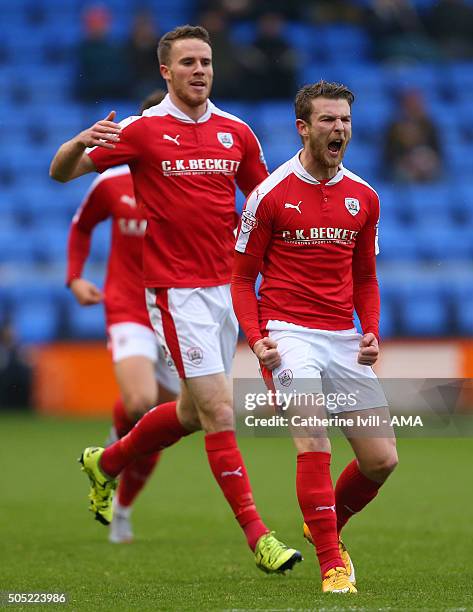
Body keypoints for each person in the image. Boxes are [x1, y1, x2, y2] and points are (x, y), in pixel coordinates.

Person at [50, 25, 302, 574]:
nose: (200, 70)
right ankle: (259, 537)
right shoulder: (142, 131)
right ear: (166, 71)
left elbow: (265, 205)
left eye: (206, 61)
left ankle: (105, 461)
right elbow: (61, 173)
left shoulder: (237, 132)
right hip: (174, 293)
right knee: (217, 410)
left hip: (225, 292)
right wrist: (77, 143)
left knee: (190, 413)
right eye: (187, 62)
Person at [231, 80, 398, 594]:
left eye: (345, 119)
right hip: (287, 334)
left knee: (381, 459)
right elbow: (241, 278)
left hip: (342, 336)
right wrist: (257, 339)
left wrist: (370, 330)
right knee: (313, 437)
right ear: (303, 127)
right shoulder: (270, 195)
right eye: (327, 120)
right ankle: (332, 566)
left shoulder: (364, 197)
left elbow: (366, 278)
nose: (339, 129)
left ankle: (324, 523)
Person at [67, 90, 180, 544]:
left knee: (171, 422)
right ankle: (116, 442)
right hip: (128, 304)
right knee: (141, 405)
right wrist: (75, 277)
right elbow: (81, 226)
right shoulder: (111, 182)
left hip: (179, 308)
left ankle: (124, 507)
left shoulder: (193, 183)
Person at [383, 88, 442, 183]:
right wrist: (406, 161)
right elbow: (388, 156)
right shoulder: (394, 127)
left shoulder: (429, 126)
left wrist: (426, 159)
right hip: (402, 167)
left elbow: (438, 152)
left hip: (427, 167)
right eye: (410, 104)